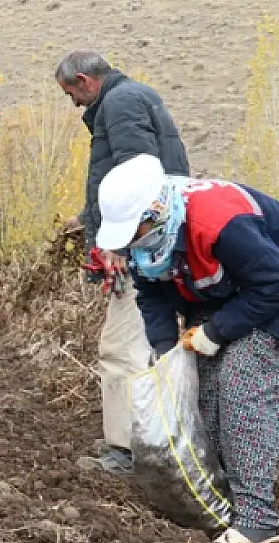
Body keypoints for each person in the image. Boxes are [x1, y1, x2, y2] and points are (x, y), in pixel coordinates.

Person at [95, 154, 279, 543]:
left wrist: (216, 332)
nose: (126, 243)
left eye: (131, 231)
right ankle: (220, 503)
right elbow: (152, 296)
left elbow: (275, 283)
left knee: (242, 390)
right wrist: (165, 354)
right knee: (201, 393)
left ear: (154, 213)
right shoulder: (148, 242)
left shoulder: (217, 222)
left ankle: (258, 521)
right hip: (221, 291)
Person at [55, 50, 190, 475]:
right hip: (154, 244)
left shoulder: (118, 103)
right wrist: (88, 219)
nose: (74, 103)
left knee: (120, 349)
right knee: (151, 347)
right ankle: (149, 439)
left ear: (84, 80)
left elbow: (137, 177)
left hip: (139, 251)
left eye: (71, 93)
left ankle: (129, 452)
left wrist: (116, 245)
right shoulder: (136, 97)